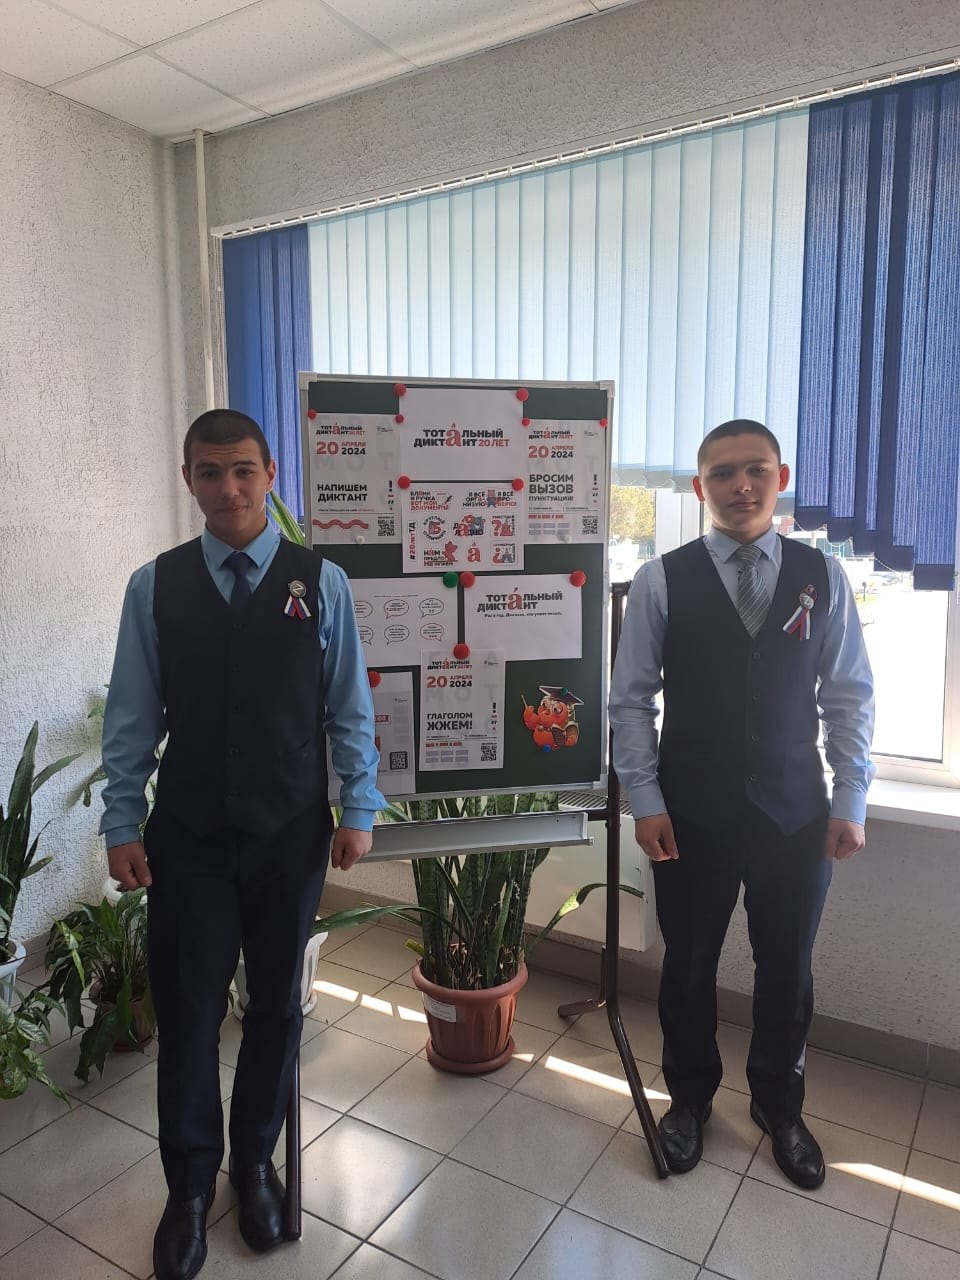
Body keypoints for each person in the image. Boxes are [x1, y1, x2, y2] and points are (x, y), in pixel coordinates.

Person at [100, 409, 385, 1280]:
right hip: (186, 838)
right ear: (189, 479)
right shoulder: (154, 587)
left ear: (269, 476)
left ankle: (254, 1165)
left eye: (243, 472)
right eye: (209, 472)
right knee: (188, 1014)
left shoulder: (320, 583)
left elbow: (348, 707)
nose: (228, 489)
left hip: (288, 836)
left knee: (275, 1009)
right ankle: (190, 1188)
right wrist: (120, 821)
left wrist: (360, 805)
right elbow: (132, 717)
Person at [609, 419, 874, 1189]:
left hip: (797, 815)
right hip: (689, 814)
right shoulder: (662, 579)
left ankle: (779, 1106)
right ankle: (689, 1100)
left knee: (787, 971)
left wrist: (851, 797)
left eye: (755, 469)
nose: (741, 485)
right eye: (723, 473)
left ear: (780, 477)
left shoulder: (823, 576)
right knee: (688, 967)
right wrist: (645, 799)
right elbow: (630, 701)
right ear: (700, 487)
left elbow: (850, 696)